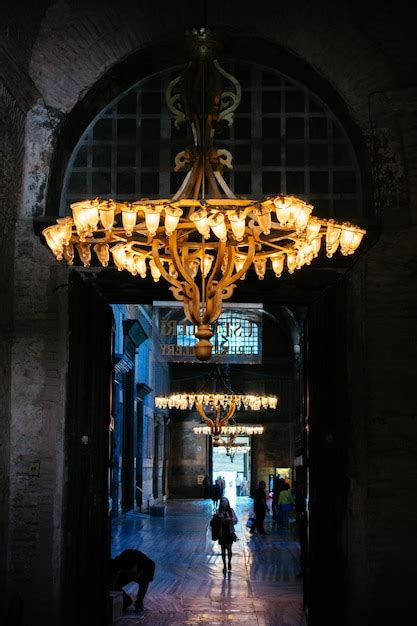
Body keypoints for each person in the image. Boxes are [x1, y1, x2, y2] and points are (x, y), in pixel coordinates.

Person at [211, 496, 238, 575]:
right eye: (222, 501)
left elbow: (236, 520)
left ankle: (229, 562)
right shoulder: (218, 512)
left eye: (225, 501)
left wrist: (230, 519)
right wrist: (218, 517)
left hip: (229, 532)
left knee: (229, 548)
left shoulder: (231, 511)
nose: (224, 503)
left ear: (227, 502)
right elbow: (213, 523)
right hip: (221, 532)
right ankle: (224, 565)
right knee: (223, 549)